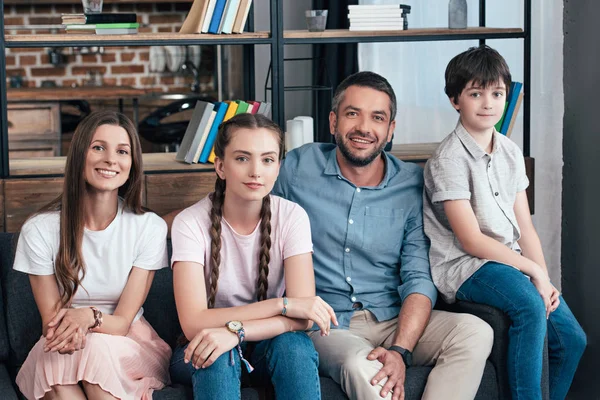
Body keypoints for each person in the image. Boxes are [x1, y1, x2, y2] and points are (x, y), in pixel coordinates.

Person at [272, 71, 494, 400]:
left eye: (377, 118)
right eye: (352, 114)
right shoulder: (295, 169)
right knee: (359, 365)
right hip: (328, 323)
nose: (364, 128)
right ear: (333, 122)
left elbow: (419, 275)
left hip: (392, 317)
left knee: (474, 331)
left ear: (390, 130)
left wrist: (401, 350)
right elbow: (243, 216)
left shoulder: (412, 183)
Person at [423, 45, 586, 400]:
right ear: (455, 100)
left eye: (497, 93)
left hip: (510, 261)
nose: (488, 103)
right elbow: (470, 241)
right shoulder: (448, 158)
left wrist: (543, 278)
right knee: (528, 306)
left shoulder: (510, 152)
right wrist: (534, 275)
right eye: (475, 93)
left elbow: (524, 227)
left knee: (572, 339)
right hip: (466, 266)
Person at [169, 113, 337, 400]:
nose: (256, 171)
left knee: (294, 346)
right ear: (221, 166)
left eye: (268, 160)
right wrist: (283, 304)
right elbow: (194, 323)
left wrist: (236, 333)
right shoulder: (189, 223)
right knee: (217, 353)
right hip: (198, 347)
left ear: (278, 167)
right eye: (242, 158)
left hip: (264, 347)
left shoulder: (292, 217)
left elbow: (304, 318)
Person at [13, 110, 171, 400]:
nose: (111, 159)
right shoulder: (39, 230)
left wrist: (88, 316)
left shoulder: (149, 227)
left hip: (129, 342)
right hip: (63, 341)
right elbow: (54, 323)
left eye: (122, 151)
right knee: (59, 366)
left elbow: (122, 322)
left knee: (95, 351)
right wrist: (79, 322)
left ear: (132, 163)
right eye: (98, 147)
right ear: (79, 156)